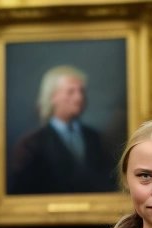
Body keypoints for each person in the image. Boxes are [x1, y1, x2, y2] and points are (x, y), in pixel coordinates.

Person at [8, 65, 117, 195]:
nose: (79, 98)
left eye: (81, 91)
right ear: (52, 97)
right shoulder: (31, 145)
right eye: (71, 92)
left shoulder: (96, 139)